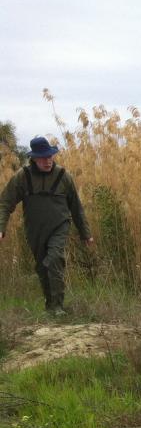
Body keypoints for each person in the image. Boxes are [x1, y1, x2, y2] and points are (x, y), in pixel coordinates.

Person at [0, 135, 93, 315]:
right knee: (42, 266)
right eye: (43, 157)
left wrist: (85, 233)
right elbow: (5, 203)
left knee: (54, 258)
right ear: (33, 158)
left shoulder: (64, 176)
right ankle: (50, 305)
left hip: (60, 226)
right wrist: (1, 228)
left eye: (50, 156)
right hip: (34, 230)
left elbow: (76, 207)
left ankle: (58, 306)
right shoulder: (23, 176)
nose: (47, 161)